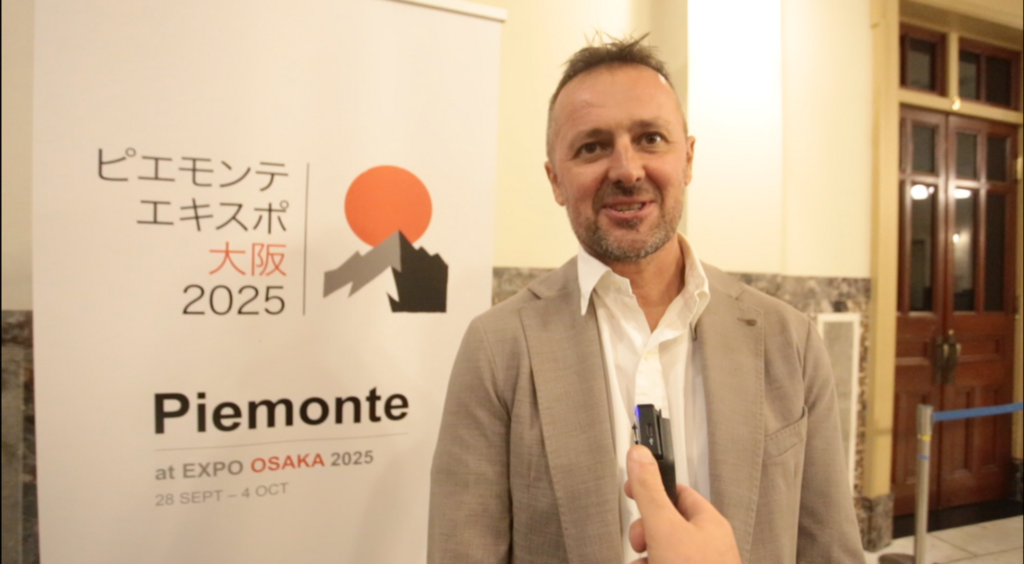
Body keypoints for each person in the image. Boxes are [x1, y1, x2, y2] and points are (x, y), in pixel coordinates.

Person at [427, 36, 864, 564]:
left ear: (689, 158)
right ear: (555, 180)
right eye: (592, 147)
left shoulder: (788, 340)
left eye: (651, 138)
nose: (627, 170)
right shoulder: (498, 349)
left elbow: (830, 549)